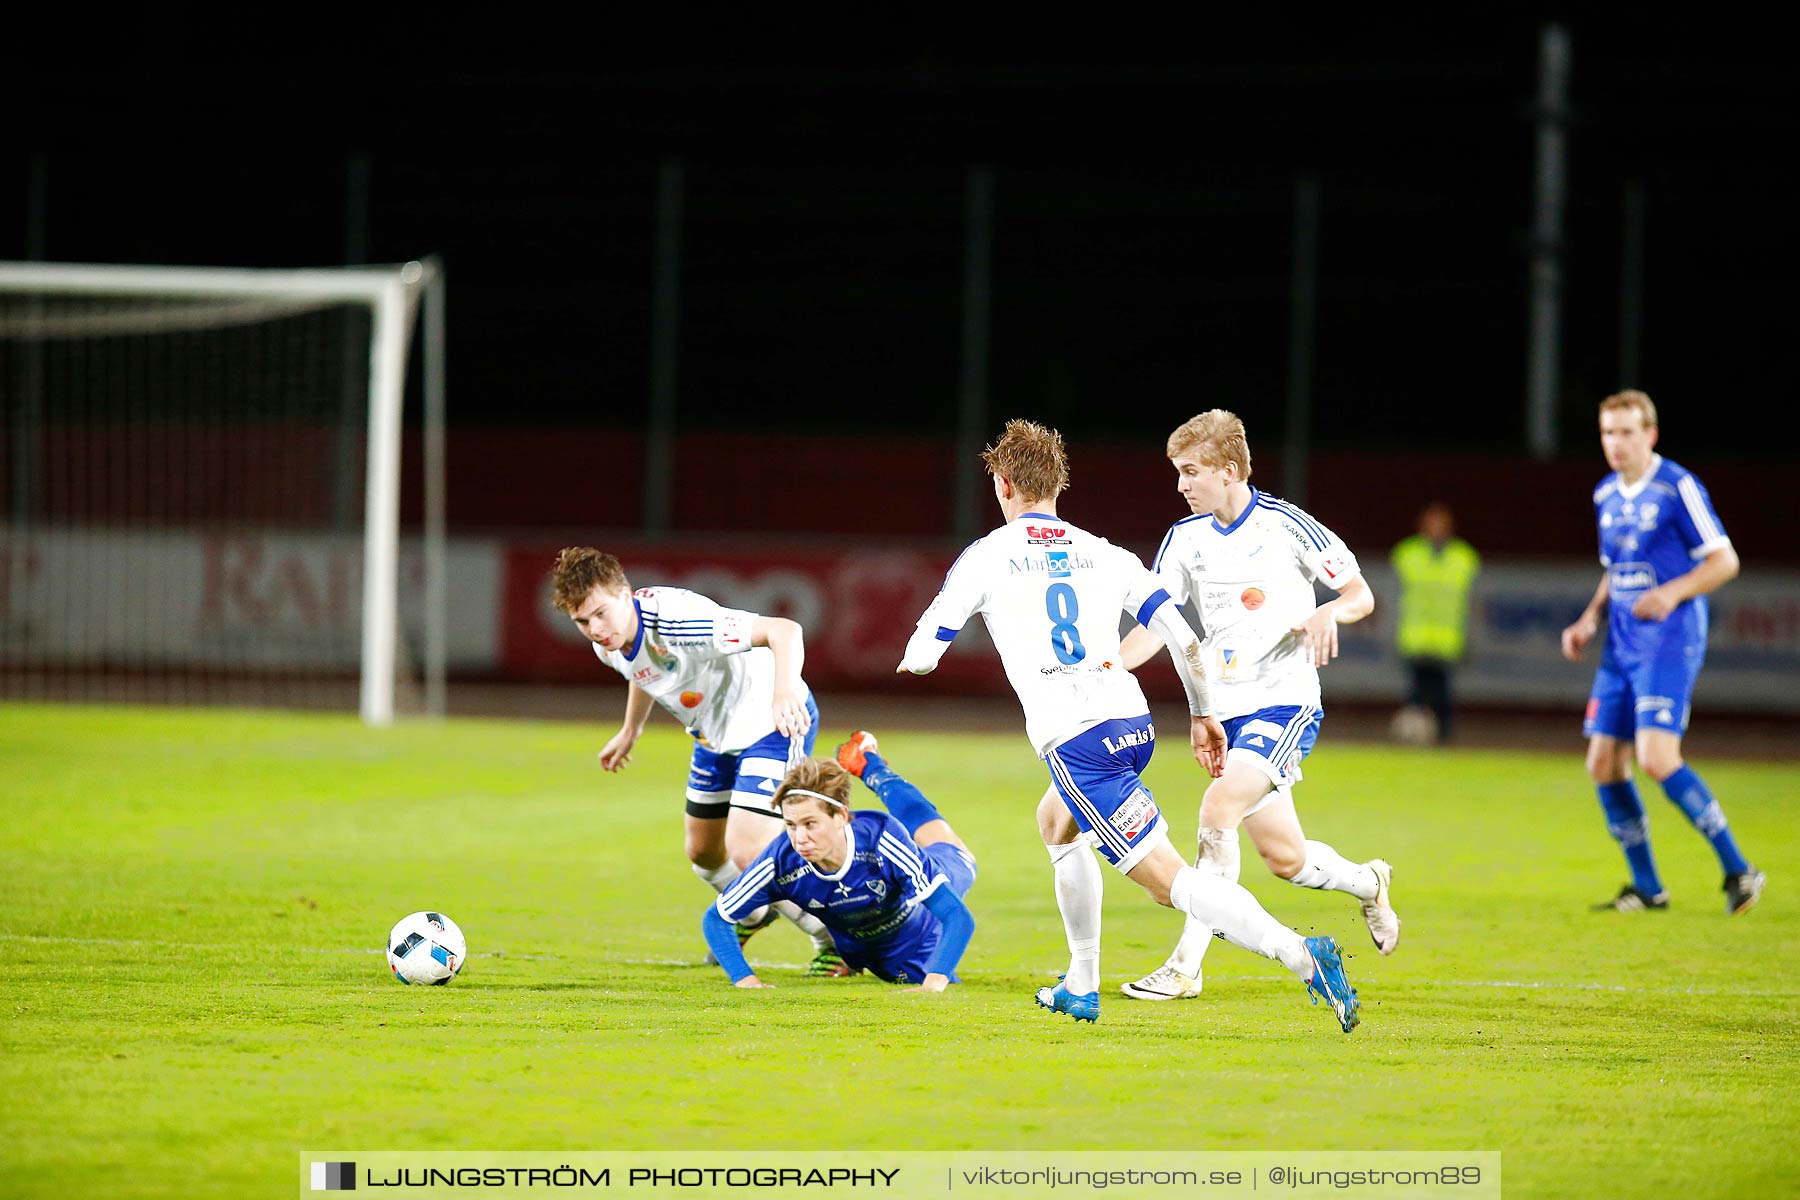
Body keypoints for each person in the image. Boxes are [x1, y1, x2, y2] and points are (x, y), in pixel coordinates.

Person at [897, 418, 1362, 1031]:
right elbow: (1184, 637)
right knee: (1055, 823)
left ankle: (1302, 956)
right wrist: (1201, 714)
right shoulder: (1103, 551)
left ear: (1004, 486)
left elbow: (927, 646)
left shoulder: (987, 556)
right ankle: (1080, 982)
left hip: (1078, 743)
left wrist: (913, 661)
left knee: (1166, 882)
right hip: (1132, 722)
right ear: (1057, 485)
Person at [1106, 410, 1399, 1003]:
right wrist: (1105, 668)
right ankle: (1369, 881)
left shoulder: (1288, 527)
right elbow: (1158, 626)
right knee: (1284, 859)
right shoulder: (1183, 539)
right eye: (1178, 474)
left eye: (1191, 472)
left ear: (1230, 470)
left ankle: (1186, 967)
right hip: (1227, 711)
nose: (1181, 485)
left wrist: (1327, 611)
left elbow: (1361, 595)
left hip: (1284, 705)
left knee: (1216, 809)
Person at [549, 547, 846, 973]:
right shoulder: (610, 642)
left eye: (601, 613)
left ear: (626, 594)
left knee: (748, 850)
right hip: (714, 734)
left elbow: (785, 630)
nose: (595, 629)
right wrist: (631, 730)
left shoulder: (680, 621)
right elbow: (643, 673)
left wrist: (784, 690)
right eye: (582, 621)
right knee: (704, 852)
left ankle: (834, 940)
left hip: (772, 722)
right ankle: (752, 913)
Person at [1559, 390, 1765, 915]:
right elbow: (1616, 567)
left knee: (1655, 758)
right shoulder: (1606, 493)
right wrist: (1590, 617)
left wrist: (1672, 592)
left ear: (1650, 434)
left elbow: (1725, 561)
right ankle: (1649, 887)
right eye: (1608, 433)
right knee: (1603, 763)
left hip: (1669, 642)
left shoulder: (1677, 487)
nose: (1616, 443)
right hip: (1621, 646)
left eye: (1627, 432)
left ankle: (1740, 870)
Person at [704, 732, 978, 990]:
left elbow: (957, 916)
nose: (800, 838)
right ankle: (843, 958)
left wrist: (935, 981)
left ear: (841, 815)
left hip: (920, 930)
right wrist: (746, 981)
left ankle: (871, 767)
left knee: (949, 845)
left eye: (811, 823)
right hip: (864, 948)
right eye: (791, 824)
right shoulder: (782, 860)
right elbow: (716, 919)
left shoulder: (881, 840)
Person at [1390, 502, 1481, 744]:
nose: (1436, 528)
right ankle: (1413, 740)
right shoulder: (1407, 553)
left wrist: (1470, 636)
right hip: (1415, 637)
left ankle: (1444, 740)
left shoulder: (1464, 557)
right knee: (1415, 695)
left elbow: (1472, 601)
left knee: (1443, 696)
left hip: (1447, 640)